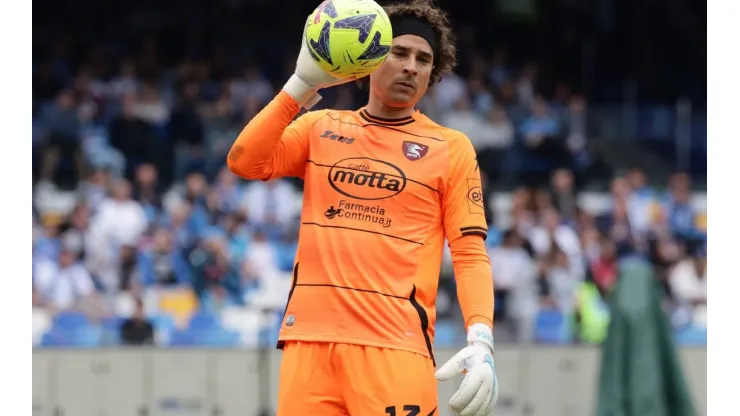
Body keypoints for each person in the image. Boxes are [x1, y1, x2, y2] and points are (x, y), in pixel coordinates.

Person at [227, 1, 498, 415]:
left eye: (423, 59)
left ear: (433, 73)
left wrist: (481, 339)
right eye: (399, 52)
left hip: (394, 348)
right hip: (310, 345)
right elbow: (244, 161)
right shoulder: (321, 128)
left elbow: (469, 253)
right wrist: (301, 84)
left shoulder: (451, 149)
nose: (411, 66)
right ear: (369, 59)